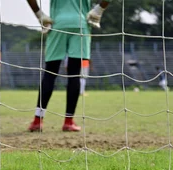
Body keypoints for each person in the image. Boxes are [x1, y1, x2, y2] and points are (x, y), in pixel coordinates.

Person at [27, 0, 111, 132]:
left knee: (50, 73)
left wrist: (39, 14)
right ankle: (68, 121)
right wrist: (99, 9)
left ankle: (38, 120)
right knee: (74, 74)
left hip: (57, 25)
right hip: (81, 24)